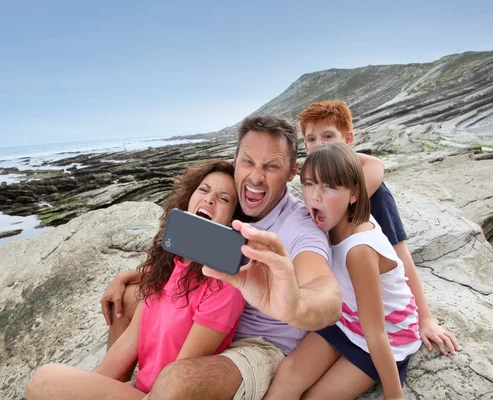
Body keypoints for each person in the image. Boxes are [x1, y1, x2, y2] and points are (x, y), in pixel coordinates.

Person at [102, 115, 384, 400]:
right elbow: (184, 261)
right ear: (235, 160)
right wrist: (136, 275)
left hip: (257, 345)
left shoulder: (300, 228)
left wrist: (295, 307)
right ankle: (120, 387)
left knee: (179, 378)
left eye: (271, 166)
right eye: (248, 162)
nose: (256, 177)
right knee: (126, 300)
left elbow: (325, 292)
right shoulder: (230, 202)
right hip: (214, 321)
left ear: (291, 172)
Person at [25, 160, 246, 400]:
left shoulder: (225, 284)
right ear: (190, 196)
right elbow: (132, 338)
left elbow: (181, 373)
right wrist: (89, 387)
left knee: (44, 381)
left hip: (163, 394)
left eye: (224, 199)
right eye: (203, 190)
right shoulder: (167, 262)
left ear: (232, 219)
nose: (210, 199)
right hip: (140, 389)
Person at [298, 100, 460, 356]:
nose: (318, 145)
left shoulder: (373, 195)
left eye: (328, 136)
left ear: (348, 139)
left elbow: (401, 254)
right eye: (311, 139)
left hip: (376, 320)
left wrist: (425, 319)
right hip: (341, 312)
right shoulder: (314, 191)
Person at [266, 143, 421, 399]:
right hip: (345, 320)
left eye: (329, 187)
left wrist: (394, 395)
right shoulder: (328, 220)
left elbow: (376, 332)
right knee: (287, 375)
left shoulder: (358, 251)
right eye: (308, 184)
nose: (315, 196)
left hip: (386, 337)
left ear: (354, 194)